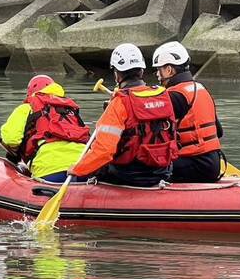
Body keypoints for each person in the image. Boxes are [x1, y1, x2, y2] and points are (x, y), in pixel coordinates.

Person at [68, 43, 178, 187]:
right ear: (142, 71)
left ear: (116, 74)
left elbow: (104, 151)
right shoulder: (162, 94)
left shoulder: (120, 103)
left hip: (128, 174)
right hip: (163, 171)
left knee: (84, 174)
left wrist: (77, 169)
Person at [152, 41, 223, 183]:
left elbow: (152, 133)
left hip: (194, 165)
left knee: (146, 169)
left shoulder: (174, 96)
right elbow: (219, 132)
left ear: (169, 70)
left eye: (159, 70)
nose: (158, 75)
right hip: (213, 163)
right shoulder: (201, 89)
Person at [0, 75, 89, 182]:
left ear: (30, 92)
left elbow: (11, 139)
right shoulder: (69, 109)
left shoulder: (26, 108)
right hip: (83, 168)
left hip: (49, 171)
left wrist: (15, 151)